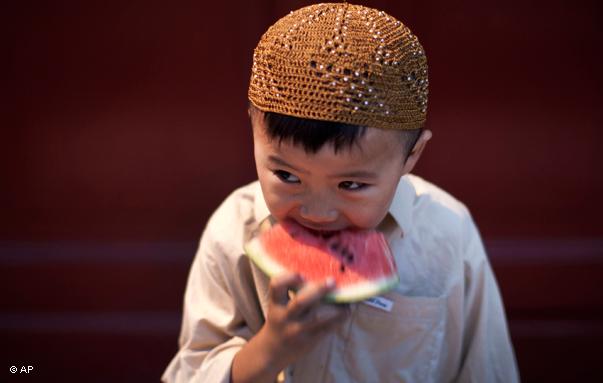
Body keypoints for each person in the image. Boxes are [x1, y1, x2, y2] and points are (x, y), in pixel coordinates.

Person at [162, 3, 519, 382]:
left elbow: (488, 371)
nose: (318, 212)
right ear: (252, 133)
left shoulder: (449, 234)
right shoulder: (233, 231)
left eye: (351, 185)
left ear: (411, 155)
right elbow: (190, 372)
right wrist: (269, 350)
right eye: (287, 175)